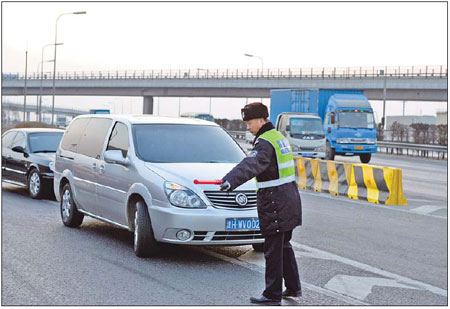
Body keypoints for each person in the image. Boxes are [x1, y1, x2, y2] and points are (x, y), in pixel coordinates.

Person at [220, 102, 302, 306]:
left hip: (274, 200)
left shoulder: (264, 142)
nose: (248, 126)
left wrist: (230, 180)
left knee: (273, 248)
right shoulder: (278, 138)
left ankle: (272, 294)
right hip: (289, 198)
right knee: (284, 245)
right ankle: (293, 287)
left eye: (249, 122)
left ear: (261, 120)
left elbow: (251, 164)